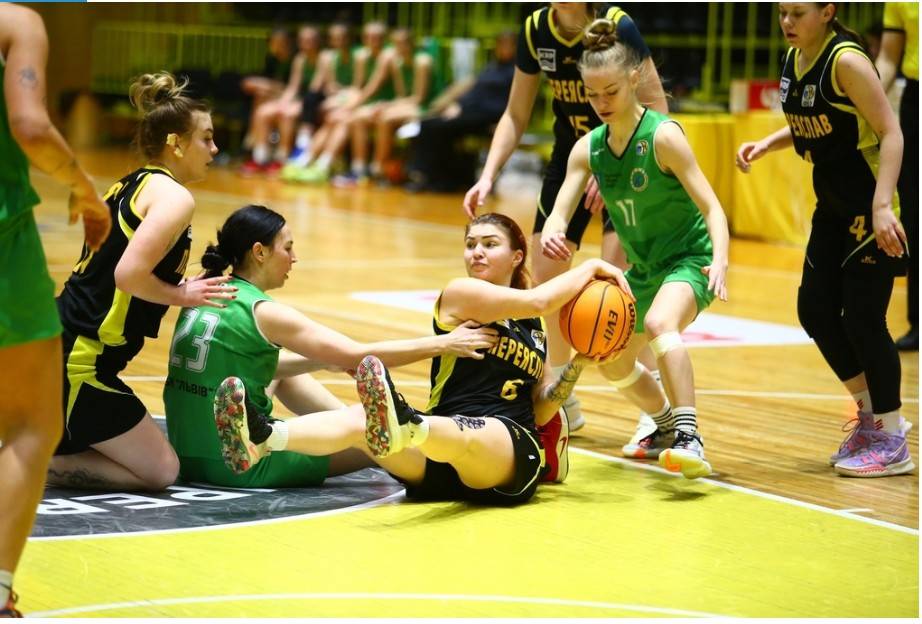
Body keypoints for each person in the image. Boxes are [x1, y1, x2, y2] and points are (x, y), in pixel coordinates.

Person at [213, 212, 629, 503]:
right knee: (364, 419)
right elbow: (540, 299)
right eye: (470, 245)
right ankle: (264, 439)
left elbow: (540, 412)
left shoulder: (534, 330)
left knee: (464, 431)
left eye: (489, 244)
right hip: (438, 455)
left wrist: (577, 364)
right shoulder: (463, 294)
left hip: (508, 453)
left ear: (517, 256)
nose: (476, 253)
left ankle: (408, 424)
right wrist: (593, 264)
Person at [163, 204, 501, 487]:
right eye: (288, 247)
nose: (294, 258)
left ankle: (335, 425)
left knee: (285, 372)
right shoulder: (265, 312)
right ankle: (424, 464)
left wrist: (318, 361)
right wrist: (445, 343)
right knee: (368, 424)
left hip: (188, 454)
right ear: (259, 252)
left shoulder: (205, 291)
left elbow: (248, 365)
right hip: (238, 466)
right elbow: (359, 355)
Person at [463, 3, 667, 436]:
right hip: (571, 159)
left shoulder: (618, 24)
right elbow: (516, 114)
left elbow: (658, 107)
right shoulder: (537, 28)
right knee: (547, 272)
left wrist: (618, 160)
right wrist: (488, 174)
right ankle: (562, 398)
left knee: (621, 286)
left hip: (627, 161)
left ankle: (656, 406)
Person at [541, 17, 730, 478]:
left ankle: (690, 436)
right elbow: (562, 207)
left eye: (611, 92)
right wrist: (555, 228)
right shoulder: (589, 148)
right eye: (592, 94)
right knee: (610, 357)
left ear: (633, 80)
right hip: (644, 269)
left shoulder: (664, 136)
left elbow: (713, 208)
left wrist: (720, 260)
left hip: (691, 260)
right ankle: (663, 425)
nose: (601, 103)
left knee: (660, 322)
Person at [736, 3, 913, 477]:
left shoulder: (846, 62)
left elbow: (891, 133)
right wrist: (768, 144)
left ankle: (893, 437)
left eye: (798, 13)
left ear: (827, 11)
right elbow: (811, 125)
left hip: (870, 206)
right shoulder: (795, 60)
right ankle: (869, 415)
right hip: (832, 205)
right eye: (782, 13)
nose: (787, 22)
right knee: (813, 309)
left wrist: (881, 207)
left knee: (863, 318)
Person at [48, 71, 234, 491]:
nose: (214, 148)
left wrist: (183, 280)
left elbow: (119, 271)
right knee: (161, 471)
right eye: (206, 138)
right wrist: (181, 294)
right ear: (177, 142)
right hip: (81, 360)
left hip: (62, 343)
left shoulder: (130, 183)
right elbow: (127, 274)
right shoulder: (174, 197)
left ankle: (40, 441)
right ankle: (38, 461)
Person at [0, 4, 111, 617]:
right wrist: (84, 188)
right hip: (2, 248)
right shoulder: (15, 22)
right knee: (29, 424)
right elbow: (31, 126)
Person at [404, 31, 517, 193]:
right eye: (500, 44)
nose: (503, 48)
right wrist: (457, 105)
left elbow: (501, 103)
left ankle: (434, 177)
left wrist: (463, 109)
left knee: (435, 127)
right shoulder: (492, 66)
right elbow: (474, 92)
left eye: (507, 44)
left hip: (489, 116)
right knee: (428, 123)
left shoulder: (515, 70)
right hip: (470, 112)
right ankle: (434, 177)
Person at [293, 22, 396, 185]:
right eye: (368, 37)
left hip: (382, 104)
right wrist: (346, 103)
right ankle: (306, 161)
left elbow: (372, 87)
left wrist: (348, 106)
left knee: (346, 119)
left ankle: (331, 167)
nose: (372, 40)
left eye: (376, 38)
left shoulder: (387, 55)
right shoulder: (363, 56)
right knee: (334, 118)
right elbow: (357, 87)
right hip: (363, 103)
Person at [876, 2, 918, 351]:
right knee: (915, 212)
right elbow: (889, 56)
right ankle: (918, 323)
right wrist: (863, 91)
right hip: (915, 96)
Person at [240, 24, 321, 175]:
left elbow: (312, 91)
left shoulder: (320, 59)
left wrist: (285, 101)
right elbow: (292, 87)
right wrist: (283, 102)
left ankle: (281, 159)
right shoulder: (299, 59)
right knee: (263, 111)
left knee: (287, 114)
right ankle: (260, 158)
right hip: (292, 99)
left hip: (308, 102)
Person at [240, 27, 293, 151]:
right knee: (258, 92)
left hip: (290, 96)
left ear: (288, 43)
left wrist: (267, 85)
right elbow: (267, 81)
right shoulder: (271, 59)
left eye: (280, 43)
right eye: (274, 43)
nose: (277, 46)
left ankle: (252, 135)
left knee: (261, 94)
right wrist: (266, 85)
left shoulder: (295, 60)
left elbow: (289, 87)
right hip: (274, 94)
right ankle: (256, 139)